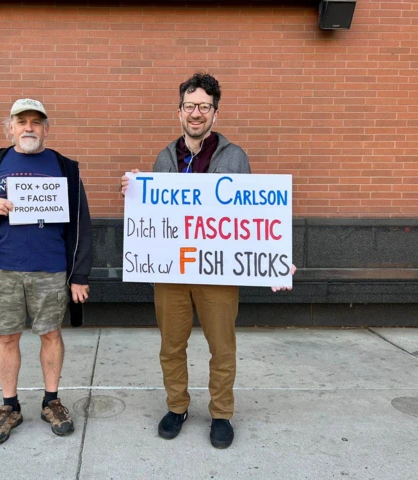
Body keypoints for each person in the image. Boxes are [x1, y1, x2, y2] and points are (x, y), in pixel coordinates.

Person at [120, 73, 295, 449]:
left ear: (216, 111)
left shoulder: (234, 157)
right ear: (179, 111)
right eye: (189, 106)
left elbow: (251, 218)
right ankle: (177, 406)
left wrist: (275, 255)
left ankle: (221, 413)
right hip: (171, 272)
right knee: (171, 346)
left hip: (217, 271)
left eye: (204, 106)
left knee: (222, 346)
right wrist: (135, 190)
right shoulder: (164, 158)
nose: (196, 113)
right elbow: (153, 215)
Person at [0, 98, 93, 445]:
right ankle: (10, 406)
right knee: (7, 337)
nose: (29, 128)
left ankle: (52, 401)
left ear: (46, 129)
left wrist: (79, 275)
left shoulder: (64, 167)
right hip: (3, 269)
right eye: (22, 122)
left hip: (50, 270)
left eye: (36, 122)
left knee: (51, 334)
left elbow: (81, 222)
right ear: (10, 128)